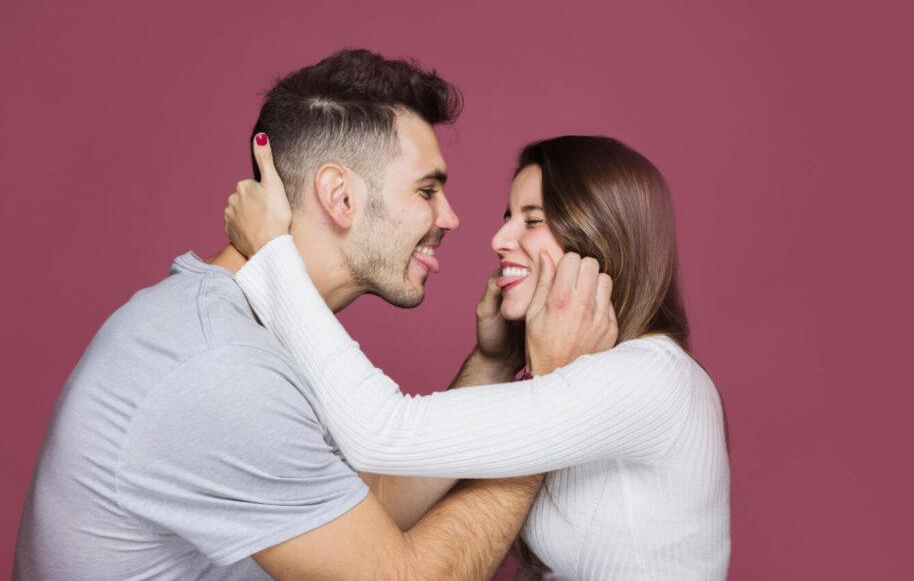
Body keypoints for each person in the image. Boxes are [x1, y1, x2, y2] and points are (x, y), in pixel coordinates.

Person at [13, 49, 616, 580]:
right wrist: (555, 403)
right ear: (341, 196)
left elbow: (366, 508)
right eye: (427, 190)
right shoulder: (220, 365)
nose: (451, 218)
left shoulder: (249, 328)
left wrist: (493, 363)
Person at [226, 135, 731, 579]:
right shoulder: (593, 376)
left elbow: (381, 432)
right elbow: (397, 503)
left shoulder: (649, 379)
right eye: (508, 216)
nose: (499, 239)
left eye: (531, 221)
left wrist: (274, 255)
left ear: (599, 241)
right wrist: (494, 360)